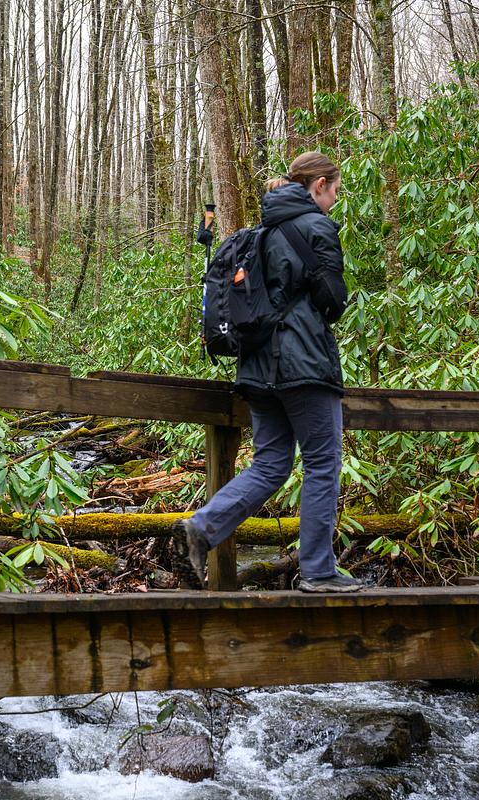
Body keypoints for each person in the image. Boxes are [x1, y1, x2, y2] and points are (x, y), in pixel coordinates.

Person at [174, 151, 359, 593]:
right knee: (321, 463)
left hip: (256, 369)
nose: (335, 198)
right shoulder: (317, 227)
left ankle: (201, 529)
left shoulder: (255, 234)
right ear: (318, 185)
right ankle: (317, 571)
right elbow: (334, 300)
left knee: (272, 462)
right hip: (303, 367)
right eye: (335, 188)